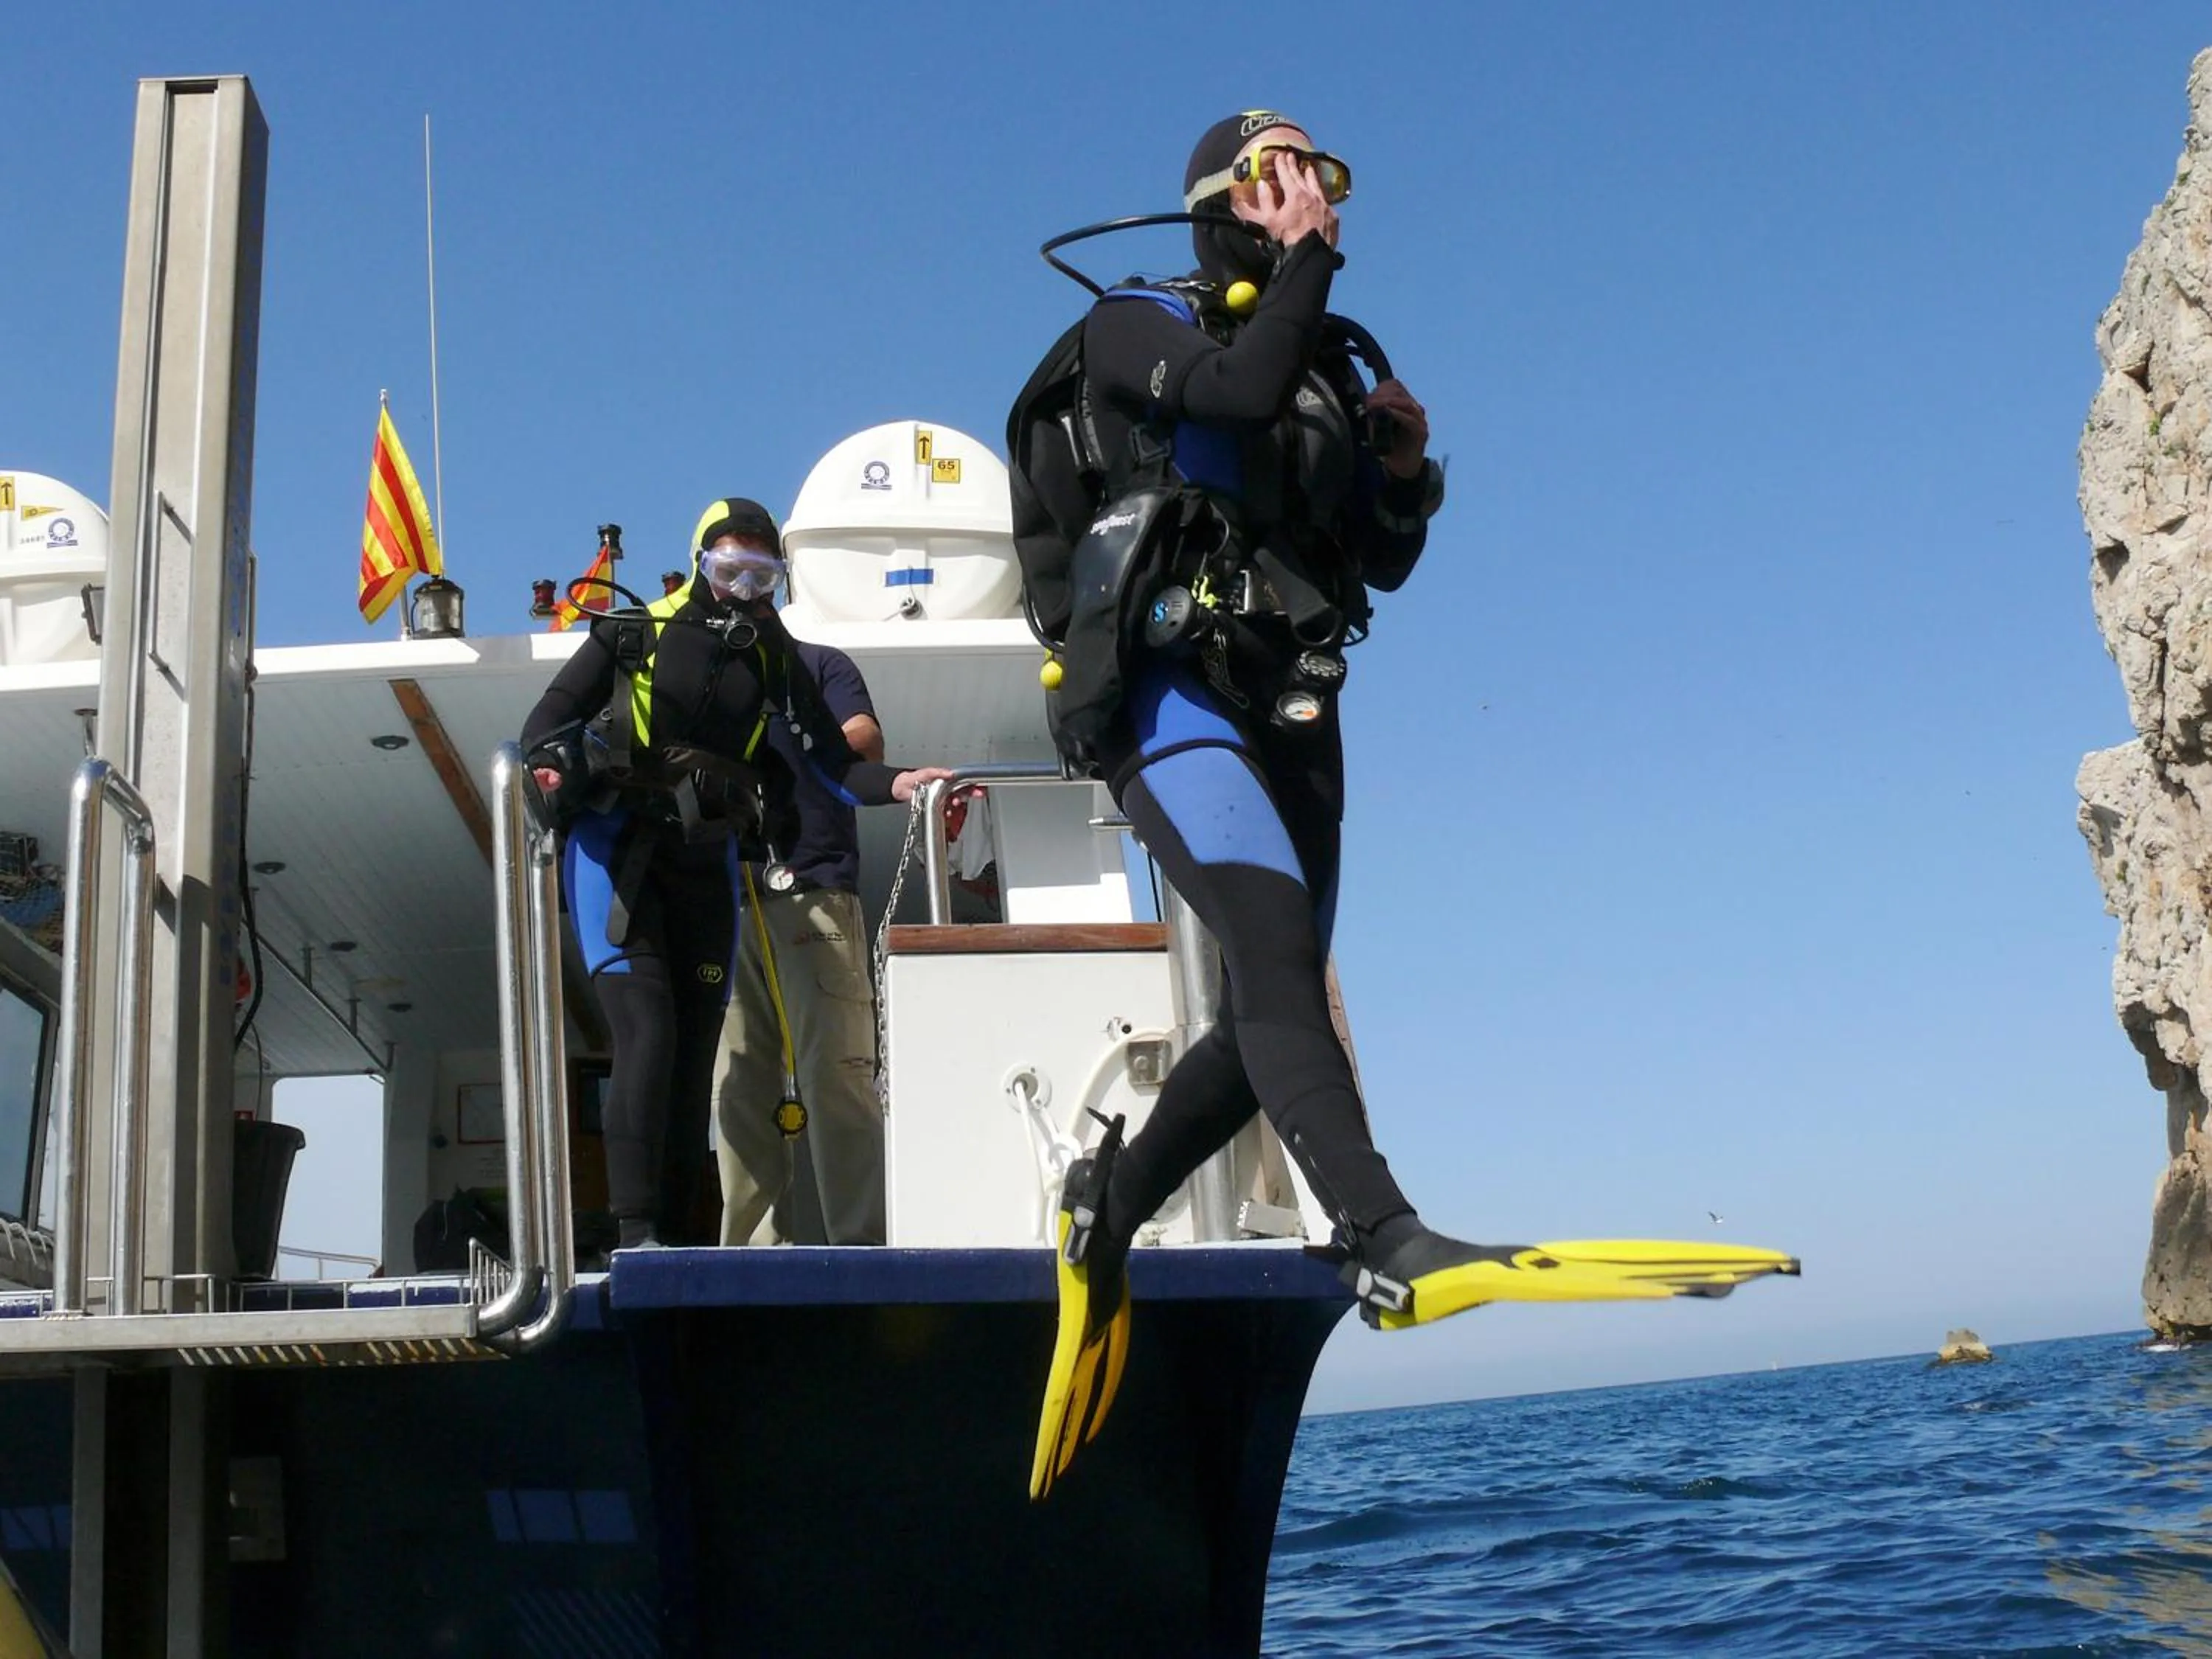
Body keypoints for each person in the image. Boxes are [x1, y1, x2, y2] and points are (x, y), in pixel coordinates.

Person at [1029, 113, 1795, 1498]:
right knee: (1272, 966)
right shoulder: (1132, 326)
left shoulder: (1327, 354)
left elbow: (1375, 564)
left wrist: (1396, 471)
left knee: (1275, 1007)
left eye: (1322, 180)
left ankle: (1109, 1208)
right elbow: (1226, 397)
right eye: (1280, 179)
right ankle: (1382, 1235)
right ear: (1220, 204)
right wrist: (1303, 271)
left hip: (1293, 706)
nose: (1310, 199)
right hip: (1172, 699)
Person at [521, 497, 946, 1251]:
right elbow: (542, 726)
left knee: (694, 1059)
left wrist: (903, 782)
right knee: (648, 1033)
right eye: (730, 569)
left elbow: (837, 765)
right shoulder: (635, 632)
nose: (744, 587)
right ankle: (637, 1231)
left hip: (704, 860)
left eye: (761, 573)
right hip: (617, 849)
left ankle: (680, 1244)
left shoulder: (776, 657)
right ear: (700, 563)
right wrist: (554, 771)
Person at [713, 611, 889, 1248]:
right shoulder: (704, 674)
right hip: (726, 902)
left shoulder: (821, 665)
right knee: (737, 1087)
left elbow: (864, 742)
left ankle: (863, 1247)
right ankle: (750, 1257)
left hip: (812, 889)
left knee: (835, 1075)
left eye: (756, 571)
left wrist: (835, 734)